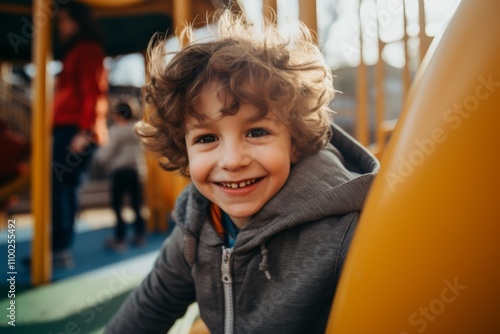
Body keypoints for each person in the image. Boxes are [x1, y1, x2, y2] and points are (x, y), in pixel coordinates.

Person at [106, 10, 379, 334]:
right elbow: (153, 303)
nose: (233, 160)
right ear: (184, 149)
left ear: (295, 140)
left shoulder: (344, 229)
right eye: (207, 138)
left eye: (257, 132)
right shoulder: (197, 222)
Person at [50, 1, 108, 268]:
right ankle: (58, 248)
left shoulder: (86, 49)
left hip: (76, 130)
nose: (60, 26)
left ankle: (59, 250)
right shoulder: (77, 51)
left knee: (62, 188)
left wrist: (85, 131)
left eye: (63, 20)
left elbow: (94, 91)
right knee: (63, 188)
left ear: (77, 21)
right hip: (71, 128)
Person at [95, 97, 146, 251]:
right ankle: (139, 235)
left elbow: (106, 154)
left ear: (118, 114)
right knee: (137, 205)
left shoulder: (116, 131)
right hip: (136, 171)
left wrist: (99, 155)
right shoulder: (139, 129)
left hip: (119, 172)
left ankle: (120, 238)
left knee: (117, 206)